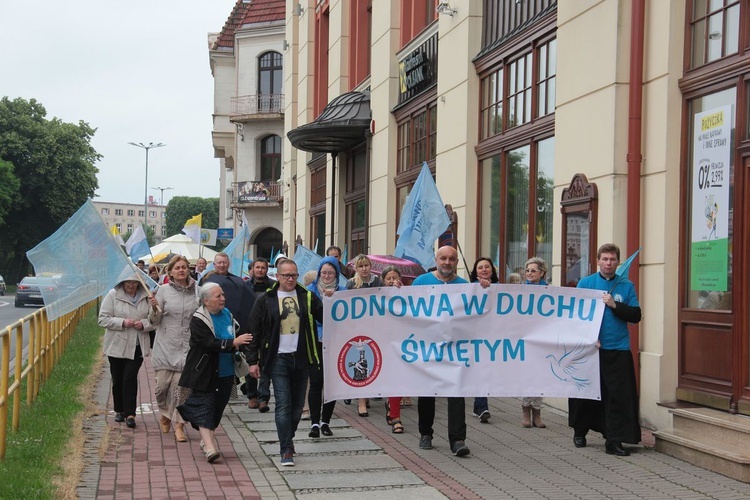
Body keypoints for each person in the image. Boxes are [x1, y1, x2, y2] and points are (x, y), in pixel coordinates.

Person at [246, 259, 324, 467]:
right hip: (277, 358)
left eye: (294, 275)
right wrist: (252, 361)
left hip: (301, 357)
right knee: (283, 404)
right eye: (286, 275)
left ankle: (288, 438)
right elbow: (254, 331)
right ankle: (286, 448)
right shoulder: (266, 299)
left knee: (298, 408)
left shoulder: (306, 297)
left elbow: (326, 316)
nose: (290, 279)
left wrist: (334, 300)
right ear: (277, 276)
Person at [568, 243, 642, 457]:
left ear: (618, 262)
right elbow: (575, 315)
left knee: (617, 396)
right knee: (585, 394)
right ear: (598, 261)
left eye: (612, 259)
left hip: (617, 349)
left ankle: (613, 440)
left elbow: (636, 315)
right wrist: (588, 338)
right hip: (590, 349)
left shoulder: (626, 286)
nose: (608, 263)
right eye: (605, 259)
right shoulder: (586, 283)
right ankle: (580, 431)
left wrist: (615, 305)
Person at [177, 283, 253, 463]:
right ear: (206, 300)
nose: (223, 299)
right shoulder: (199, 319)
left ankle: (206, 441)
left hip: (226, 372)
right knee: (204, 406)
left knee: (217, 409)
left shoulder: (227, 314)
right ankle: (211, 448)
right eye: (218, 296)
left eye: (223, 295)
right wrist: (232, 342)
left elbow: (236, 333)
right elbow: (208, 343)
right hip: (204, 371)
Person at [412, 246, 470, 457]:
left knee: (456, 393)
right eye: (443, 258)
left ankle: (457, 439)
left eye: (452, 259)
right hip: (427, 348)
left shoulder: (465, 286)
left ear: (456, 262)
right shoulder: (421, 283)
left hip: (455, 350)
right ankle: (425, 433)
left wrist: (485, 289)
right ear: (436, 259)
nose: (447, 262)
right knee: (427, 392)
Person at [148, 255, 199, 442]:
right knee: (162, 388)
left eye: (184, 267)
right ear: (170, 272)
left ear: (189, 270)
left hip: (187, 347)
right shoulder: (162, 291)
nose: (181, 270)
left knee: (181, 390)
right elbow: (154, 321)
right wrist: (153, 309)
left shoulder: (197, 292)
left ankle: (179, 426)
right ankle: (165, 413)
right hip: (165, 346)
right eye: (177, 267)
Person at [200, 252, 257, 408]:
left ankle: (249, 393)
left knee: (241, 360)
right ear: (214, 264)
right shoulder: (207, 280)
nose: (222, 265)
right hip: (214, 326)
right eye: (219, 262)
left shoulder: (238, 281)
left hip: (235, 325)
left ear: (229, 263)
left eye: (224, 262)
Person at [98, 273, 155, 429]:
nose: (131, 285)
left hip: (137, 344)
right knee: (117, 378)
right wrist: (123, 322)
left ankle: (130, 414)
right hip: (116, 344)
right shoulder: (113, 295)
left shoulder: (147, 296)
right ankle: (119, 410)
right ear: (122, 282)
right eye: (128, 283)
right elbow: (102, 319)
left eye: (134, 283)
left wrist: (143, 323)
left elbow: (155, 320)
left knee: (130, 377)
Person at [306, 256, 345, 438]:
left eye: (331, 273)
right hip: (316, 343)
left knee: (331, 385)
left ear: (336, 274)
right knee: (316, 383)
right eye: (324, 273)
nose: (327, 276)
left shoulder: (344, 292)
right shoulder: (309, 292)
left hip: (336, 343)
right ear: (319, 273)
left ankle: (325, 422)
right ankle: (314, 422)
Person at [346, 254, 383, 416]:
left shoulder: (378, 281)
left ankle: (368, 392)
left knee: (374, 360)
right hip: (358, 328)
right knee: (362, 361)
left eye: (366, 265)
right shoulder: (351, 284)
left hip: (375, 326)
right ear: (356, 268)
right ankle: (361, 400)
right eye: (360, 266)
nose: (364, 269)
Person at [469, 257, 499, 424]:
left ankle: (477, 406)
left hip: (497, 337)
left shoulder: (502, 289)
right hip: (476, 336)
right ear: (475, 271)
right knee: (481, 370)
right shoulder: (468, 289)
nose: (484, 270)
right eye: (480, 267)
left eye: (487, 266)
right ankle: (482, 407)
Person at [521, 256, 549, 429]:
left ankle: (537, 412)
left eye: (533, 270)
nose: (530, 273)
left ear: (542, 273)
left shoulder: (549, 291)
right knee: (527, 375)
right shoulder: (520, 290)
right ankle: (525, 409)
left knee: (540, 375)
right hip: (525, 338)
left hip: (542, 338)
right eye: (527, 270)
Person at [245, 256, 274, 413]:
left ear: (267, 269)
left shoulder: (273, 286)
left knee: (265, 365)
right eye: (257, 267)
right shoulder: (245, 286)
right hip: (249, 329)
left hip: (267, 330)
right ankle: (252, 396)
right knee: (250, 362)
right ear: (253, 268)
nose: (260, 270)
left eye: (263, 268)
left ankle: (264, 398)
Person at [382, 266, 407, 434]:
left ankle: (396, 415)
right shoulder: (376, 296)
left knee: (398, 379)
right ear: (383, 280)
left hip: (402, 342)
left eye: (395, 277)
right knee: (391, 379)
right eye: (388, 278)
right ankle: (393, 409)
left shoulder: (407, 294)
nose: (392, 281)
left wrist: (404, 292)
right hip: (383, 341)